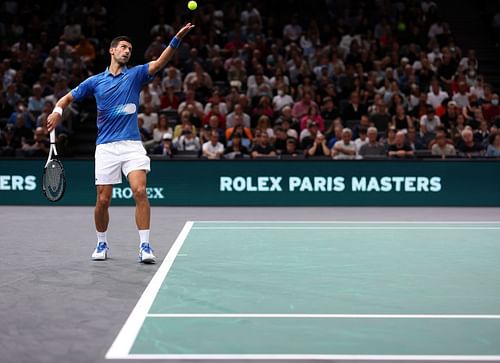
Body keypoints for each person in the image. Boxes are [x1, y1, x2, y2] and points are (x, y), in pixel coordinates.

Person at [46, 23, 195, 263]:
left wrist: (176, 39)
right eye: (123, 47)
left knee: (140, 191)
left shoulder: (135, 75)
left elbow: (159, 63)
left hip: (132, 145)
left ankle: (145, 246)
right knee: (103, 200)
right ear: (112, 51)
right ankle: (101, 242)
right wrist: (56, 111)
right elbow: (66, 98)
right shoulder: (94, 82)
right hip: (106, 148)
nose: (127, 51)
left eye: (130, 48)